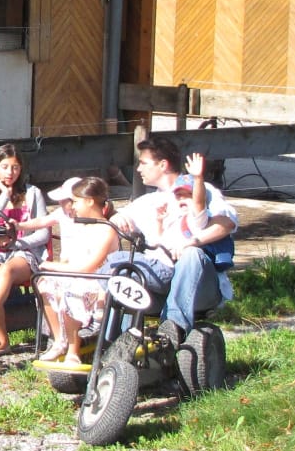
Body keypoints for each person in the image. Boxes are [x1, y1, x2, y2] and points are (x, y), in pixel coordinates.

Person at [119, 134, 237, 347]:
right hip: (161, 281)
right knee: (124, 266)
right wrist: (115, 219)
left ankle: (173, 328)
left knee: (191, 254)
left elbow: (225, 224)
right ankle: (116, 342)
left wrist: (190, 242)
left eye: (143, 163)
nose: (138, 168)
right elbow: (116, 221)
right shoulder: (147, 201)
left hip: (199, 284)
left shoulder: (201, 192)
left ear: (163, 165)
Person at [18, 175, 120, 364]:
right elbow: (73, 258)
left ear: (89, 201)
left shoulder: (106, 229)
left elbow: (89, 267)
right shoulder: (84, 226)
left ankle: (73, 350)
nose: (73, 206)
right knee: (44, 283)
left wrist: (54, 266)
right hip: (79, 276)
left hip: (98, 281)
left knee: (70, 289)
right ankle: (60, 340)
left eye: (76, 201)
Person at [0, 142, 50, 351]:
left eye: (15, 167)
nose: (10, 172)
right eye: (5, 167)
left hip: (25, 251)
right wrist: (4, 196)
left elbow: (44, 233)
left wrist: (16, 243)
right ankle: (1, 340)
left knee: (6, 271)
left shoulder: (33, 193)